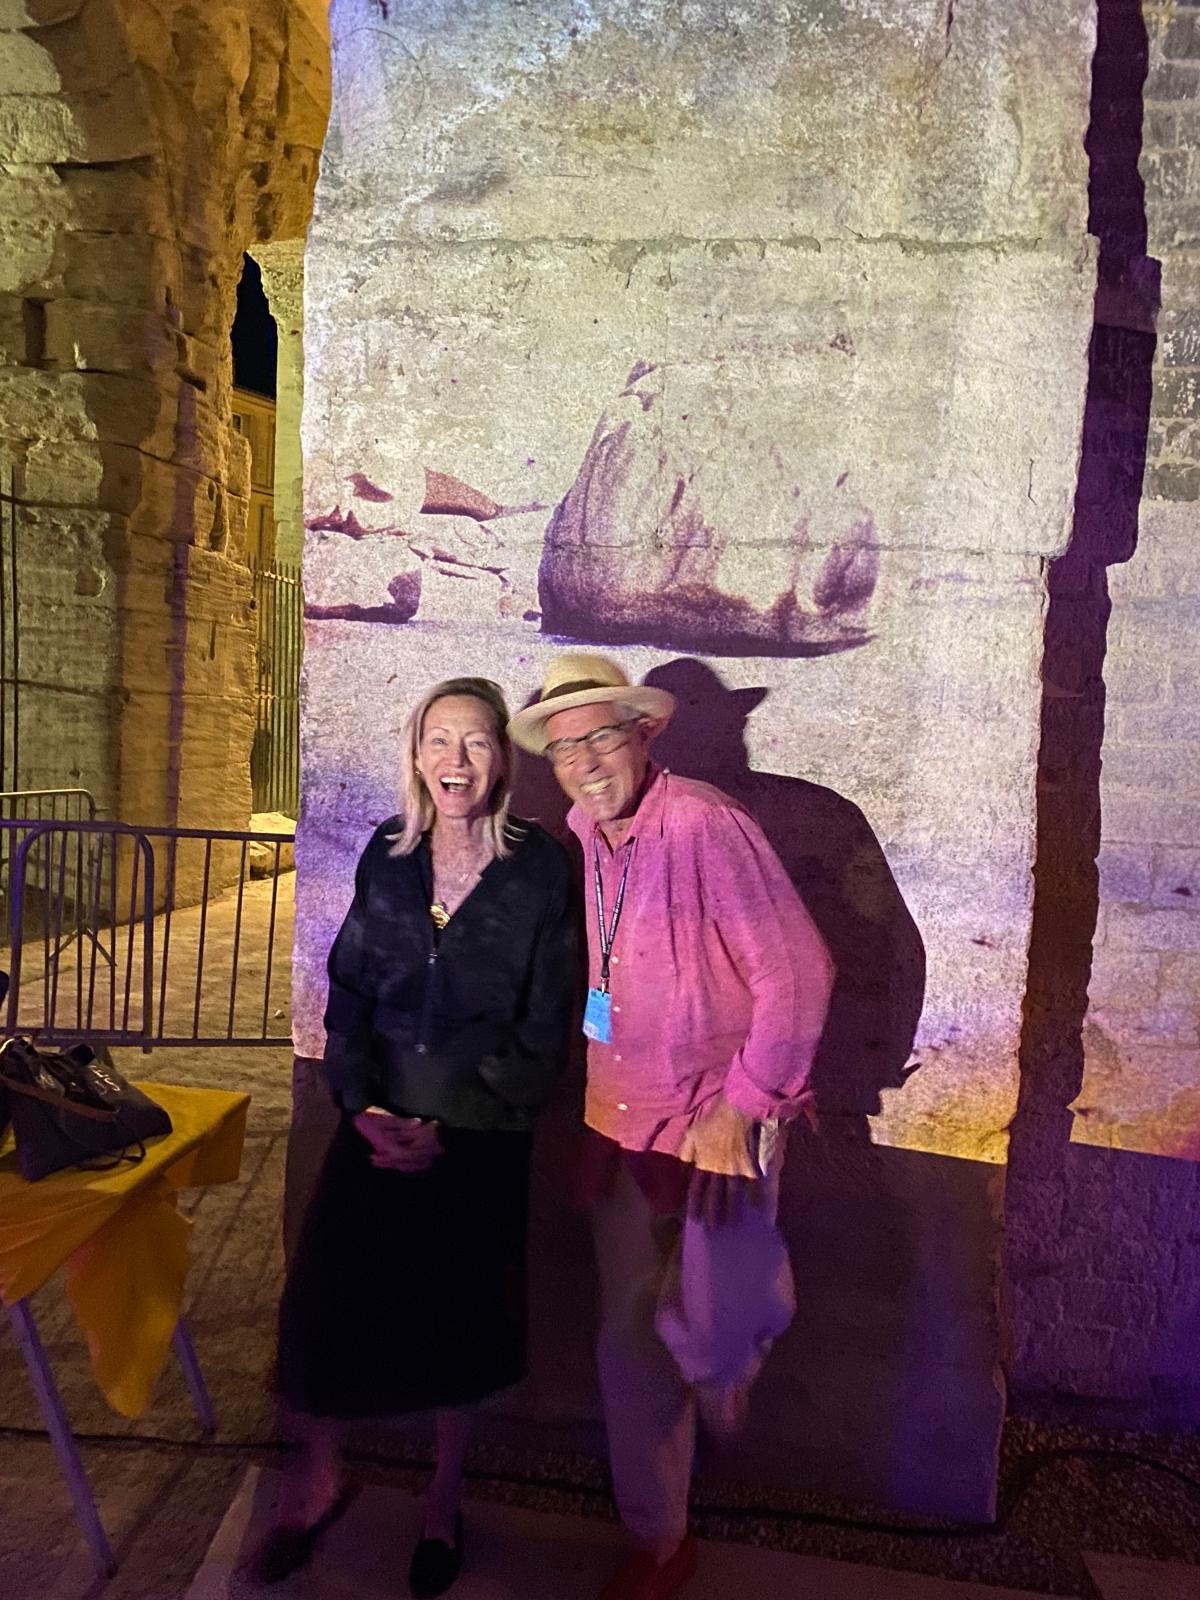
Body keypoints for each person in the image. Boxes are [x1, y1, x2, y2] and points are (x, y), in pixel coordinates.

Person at [510, 654, 835, 1600]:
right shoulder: (585, 833)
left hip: (711, 1131)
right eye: (564, 749)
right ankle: (659, 1540)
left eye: (600, 738)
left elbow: (800, 975)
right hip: (621, 1126)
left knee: (716, 1330)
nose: (583, 763)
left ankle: (723, 1365)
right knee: (628, 1347)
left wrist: (743, 1109)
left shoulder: (700, 822)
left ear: (643, 733)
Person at [254, 677, 576, 1597]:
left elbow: (546, 1021)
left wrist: (457, 1115)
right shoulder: (386, 855)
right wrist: (360, 1105)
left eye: (475, 741)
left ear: (502, 760)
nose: (455, 760)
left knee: (458, 1324)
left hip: (478, 1137)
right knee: (323, 1310)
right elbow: (349, 987)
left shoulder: (539, 870)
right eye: (439, 739)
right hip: (377, 1124)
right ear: (416, 754)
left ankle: (443, 1499)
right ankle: (319, 1480)